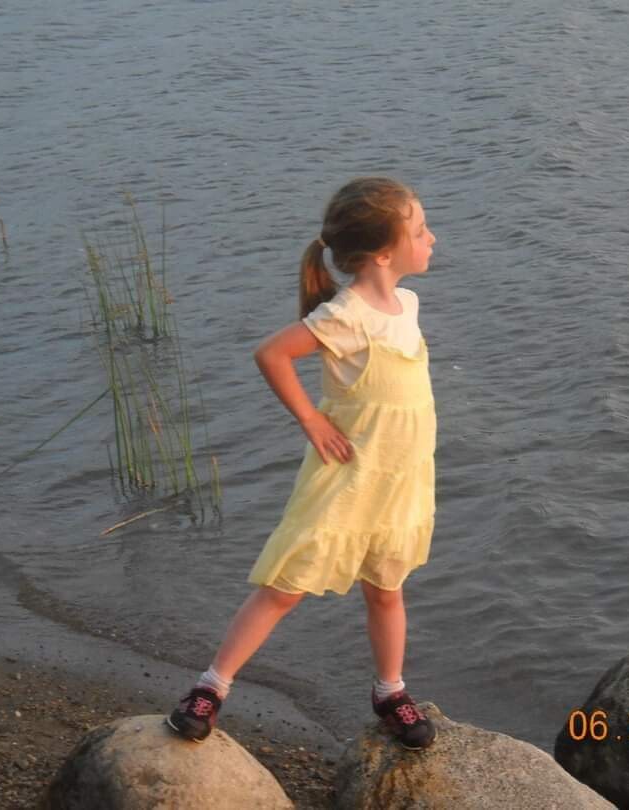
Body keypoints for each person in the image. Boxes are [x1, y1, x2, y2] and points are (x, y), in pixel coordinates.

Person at [166, 176, 439, 751]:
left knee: (387, 588)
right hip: (349, 480)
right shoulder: (348, 315)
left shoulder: (406, 304)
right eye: (420, 230)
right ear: (385, 254)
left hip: (401, 479)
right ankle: (211, 687)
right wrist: (312, 421)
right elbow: (272, 352)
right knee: (284, 585)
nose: (432, 238)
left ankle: (390, 690)